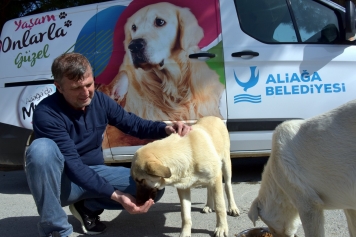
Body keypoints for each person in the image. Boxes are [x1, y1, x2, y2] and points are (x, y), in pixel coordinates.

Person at [25, 52, 192, 237]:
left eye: (89, 84)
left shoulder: (100, 100)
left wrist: (166, 129)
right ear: (59, 87)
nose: (86, 93)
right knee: (40, 150)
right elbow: (73, 165)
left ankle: (87, 207)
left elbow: (132, 124)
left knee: (150, 188)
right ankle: (55, 230)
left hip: (94, 171)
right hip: (63, 183)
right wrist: (117, 195)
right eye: (76, 88)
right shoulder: (46, 113)